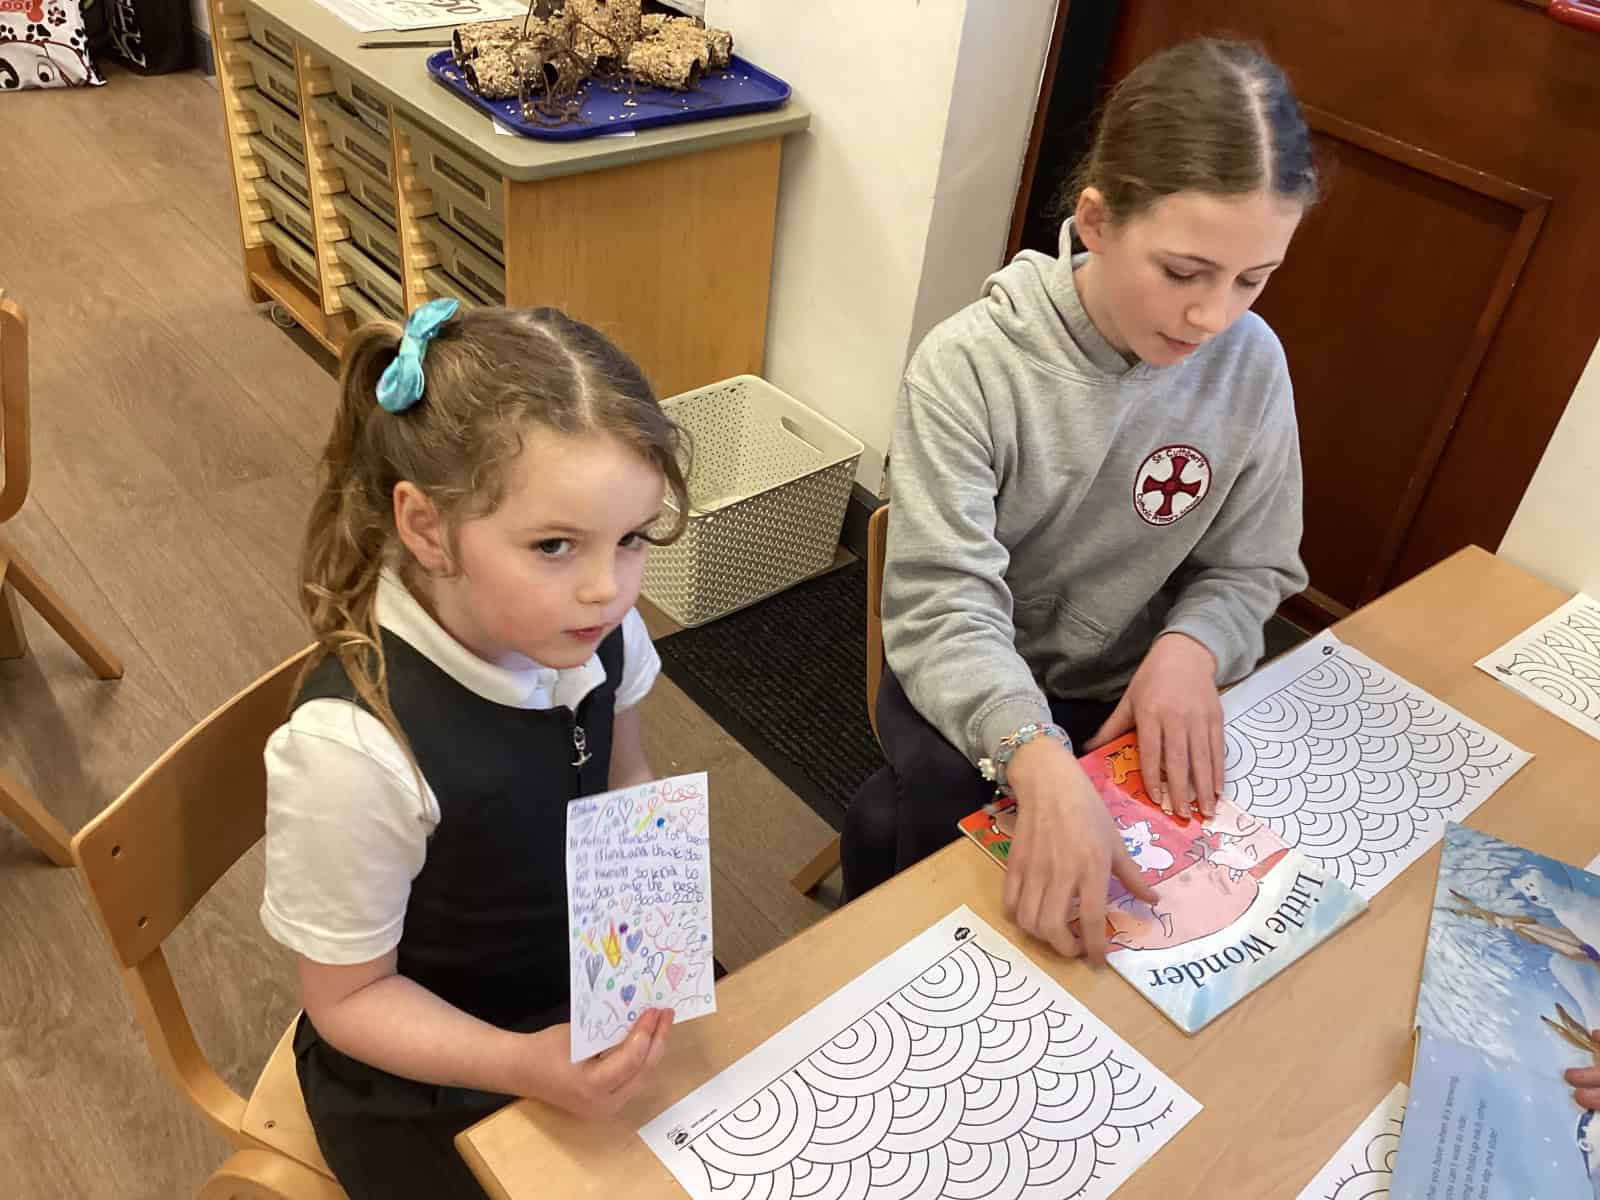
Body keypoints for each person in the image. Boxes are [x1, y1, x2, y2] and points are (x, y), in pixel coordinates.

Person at [841, 38, 1319, 963]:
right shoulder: (969, 366)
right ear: (1095, 221)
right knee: (956, 875)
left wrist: (1192, 645)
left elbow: (1255, 564)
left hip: (1131, 680)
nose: (1214, 316)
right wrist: (1037, 754)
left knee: (1178, 905)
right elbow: (943, 608)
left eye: (1253, 279)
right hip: (977, 669)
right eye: (1183, 272)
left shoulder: (1251, 362)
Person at [259, 300, 690, 1198]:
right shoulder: (352, 754)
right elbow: (347, 1001)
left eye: (631, 540)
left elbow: (626, 778)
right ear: (425, 528)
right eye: (555, 545)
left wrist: (650, 950)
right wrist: (525, 1062)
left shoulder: (596, 628)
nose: (608, 589)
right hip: (430, 1069)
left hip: (578, 980)